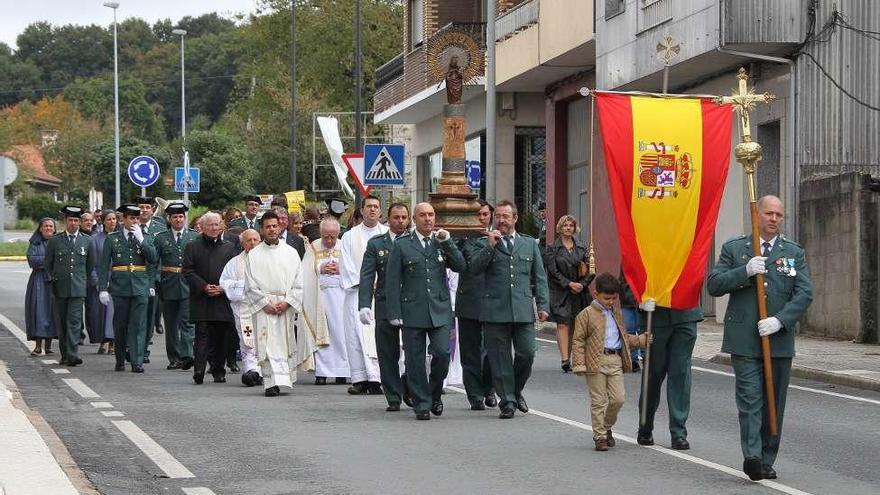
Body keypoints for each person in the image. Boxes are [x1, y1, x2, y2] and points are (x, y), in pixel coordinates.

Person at [707, 195, 813, 481]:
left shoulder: (793, 253)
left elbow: (804, 293)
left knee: (774, 402)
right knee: (750, 399)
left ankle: (768, 457)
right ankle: (752, 456)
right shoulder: (735, 248)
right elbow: (714, 285)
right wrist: (745, 271)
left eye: (779, 215)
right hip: (744, 338)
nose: (774, 219)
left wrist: (780, 320)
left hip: (778, 339)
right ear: (758, 215)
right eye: (769, 213)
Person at [467, 200, 550, 419]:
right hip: (494, 309)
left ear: (515, 219)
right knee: (499, 358)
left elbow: (539, 277)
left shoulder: (529, 244)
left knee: (527, 353)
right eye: (499, 217)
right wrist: (490, 247)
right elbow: (474, 269)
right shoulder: (484, 242)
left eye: (506, 216)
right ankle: (508, 401)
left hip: (522, 310)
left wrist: (543, 305)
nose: (502, 220)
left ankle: (516, 389)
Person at [385, 203, 467, 420]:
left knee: (442, 353)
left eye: (431, 215)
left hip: (439, 309)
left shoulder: (441, 242)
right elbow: (392, 281)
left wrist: (448, 242)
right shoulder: (403, 245)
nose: (428, 219)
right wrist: (394, 312)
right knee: (415, 359)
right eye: (423, 215)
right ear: (414, 219)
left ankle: (435, 392)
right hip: (412, 310)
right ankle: (422, 402)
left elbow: (460, 266)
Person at [572, 273, 649, 451]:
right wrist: (579, 363)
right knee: (598, 401)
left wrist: (641, 340)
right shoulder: (586, 315)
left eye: (614, 298)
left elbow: (623, 337)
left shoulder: (617, 314)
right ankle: (599, 436)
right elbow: (578, 341)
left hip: (614, 360)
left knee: (618, 399)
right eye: (607, 298)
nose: (610, 301)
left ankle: (606, 427)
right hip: (595, 361)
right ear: (596, 294)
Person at [245, 211, 307, 397]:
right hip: (265, 307)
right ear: (262, 230)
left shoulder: (291, 253)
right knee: (267, 344)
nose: (271, 230)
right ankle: (270, 382)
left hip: (284, 305)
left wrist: (287, 303)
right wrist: (265, 304)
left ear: (280, 227)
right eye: (267, 227)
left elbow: (299, 282)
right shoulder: (254, 254)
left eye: (274, 226)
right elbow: (250, 285)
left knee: (283, 344)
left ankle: (284, 380)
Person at [359, 202, 411, 411]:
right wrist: (364, 304)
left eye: (404, 217)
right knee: (387, 352)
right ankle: (393, 396)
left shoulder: (414, 242)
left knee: (413, 351)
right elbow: (367, 275)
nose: (400, 221)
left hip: (410, 305)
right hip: (385, 303)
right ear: (388, 220)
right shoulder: (376, 244)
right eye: (396, 217)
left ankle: (410, 385)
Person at [98, 204, 158, 373]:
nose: (134, 222)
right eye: (131, 218)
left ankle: (136, 361)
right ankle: (120, 359)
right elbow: (104, 266)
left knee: (138, 325)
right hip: (120, 286)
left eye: (137, 218)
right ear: (123, 219)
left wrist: (142, 240)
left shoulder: (144, 236)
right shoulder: (112, 238)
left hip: (140, 286)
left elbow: (153, 259)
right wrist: (103, 288)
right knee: (120, 324)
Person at [635, 303, 702, 450]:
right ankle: (645, 426)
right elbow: (633, 281)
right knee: (653, 374)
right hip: (655, 317)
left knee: (681, 375)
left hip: (685, 314)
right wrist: (640, 300)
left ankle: (679, 432)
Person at [339, 195, 388, 395]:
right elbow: (346, 264)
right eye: (369, 206)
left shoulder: (387, 234)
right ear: (361, 210)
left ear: (381, 211)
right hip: (358, 293)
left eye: (376, 207)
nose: (372, 210)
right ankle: (360, 379)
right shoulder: (350, 236)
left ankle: (378, 378)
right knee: (355, 336)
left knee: (378, 336)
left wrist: (381, 281)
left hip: (383, 293)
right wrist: (366, 283)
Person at [183, 212, 239, 384]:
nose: (214, 228)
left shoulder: (229, 247)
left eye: (217, 224)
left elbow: (235, 272)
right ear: (202, 227)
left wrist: (223, 288)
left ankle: (218, 370)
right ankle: (199, 369)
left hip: (222, 297)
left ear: (221, 226)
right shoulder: (192, 246)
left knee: (221, 336)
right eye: (210, 225)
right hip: (202, 297)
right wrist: (204, 286)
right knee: (202, 335)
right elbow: (188, 270)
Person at [456, 200, 497, 410]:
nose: (482, 218)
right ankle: (475, 394)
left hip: (492, 301)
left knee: (492, 350)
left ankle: (490, 389)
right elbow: (467, 266)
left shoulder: (498, 237)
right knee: (470, 351)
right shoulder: (464, 240)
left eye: (485, 214)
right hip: (469, 299)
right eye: (478, 214)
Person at [44, 206, 96, 367]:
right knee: (62, 322)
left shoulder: (87, 241)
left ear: (80, 222)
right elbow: (48, 264)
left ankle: (72, 354)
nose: (73, 223)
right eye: (70, 220)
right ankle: (65, 354)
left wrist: (82, 281)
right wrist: (55, 279)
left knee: (73, 321)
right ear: (65, 221)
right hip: (60, 287)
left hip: (78, 287)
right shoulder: (55, 241)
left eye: (76, 220)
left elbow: (90, 265)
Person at [545, 214, 595, 373]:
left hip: (580, 291)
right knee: (562, 323)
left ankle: (572, 356)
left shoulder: (582, 247)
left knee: (575, 323)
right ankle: (565, 359)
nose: (568, 228)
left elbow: (591, 269)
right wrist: (569, 284)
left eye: (571, 225)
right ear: (560, 227)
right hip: (561, 291)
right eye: (565, 225)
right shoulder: (553, 248)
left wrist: (582, 284)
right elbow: (553, 272)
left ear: (575, 228)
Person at [301, 218, 347, 385]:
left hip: (341, 298)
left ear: (338, 234)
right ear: (321, 234)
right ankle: (322, 372)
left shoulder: (344, 246)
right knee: (321, 335)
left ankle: (342, 372)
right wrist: (319, 268)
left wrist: (340, 269)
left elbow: (354, 269)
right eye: (326, 237)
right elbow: (304, 271)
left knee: (340, 335)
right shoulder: (313, 247)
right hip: (319, 298)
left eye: (332, 237)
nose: (329, 241)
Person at [154, 203, 199, 370]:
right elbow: (154, 261)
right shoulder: (161, 237)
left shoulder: (194, 236)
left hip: (188, 285)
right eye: (175, 217)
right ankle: (174, 357)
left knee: (187, 322)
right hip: (168, 284)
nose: (178, 219)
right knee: (171, 323)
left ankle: (187, 356)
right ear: (169, 218)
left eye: (181, 216)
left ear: (184, 218)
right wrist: (156, 280)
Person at [219, 229, 264, 387]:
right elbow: (225, 282)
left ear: (260, 240)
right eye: (248, 240)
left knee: (266, 338)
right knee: (247, 341)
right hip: (243, 308)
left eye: (255, 240)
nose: (252, 243)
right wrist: (245, 287)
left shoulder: (268, 259)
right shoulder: (234, 263)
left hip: (265, 307)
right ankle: (252, 370)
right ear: (242, 243)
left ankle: (266, 370)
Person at [135, 196, 166, 363]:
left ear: (153, 209)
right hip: (133, 277)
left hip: (153, 278)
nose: (144, 210)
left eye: (147, 207)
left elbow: (161, 255)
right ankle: (132, 347)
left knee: (149, 316)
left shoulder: (159, 228)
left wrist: (156, 278)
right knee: (134, 317)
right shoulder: (129, 226)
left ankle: (144, 349)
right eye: (141, 207)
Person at [25, 218, 57, 356]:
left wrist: (44, 260)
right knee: (38, 311)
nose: (48, 228)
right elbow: (32, 260)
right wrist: (50, 261)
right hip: (38, 281)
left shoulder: (59, 242)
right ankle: (38, 346)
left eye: (51, 226)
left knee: (52, 312)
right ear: (40, 228)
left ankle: (48, 346)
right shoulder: (35, 242)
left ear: (54, 229)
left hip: (55, 281)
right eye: (46, 226)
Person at [91, 210, 117, 354]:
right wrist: (96, 281)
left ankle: (113, 342)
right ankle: (103, 341)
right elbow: (93, 264)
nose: (112, 222)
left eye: (114, 219)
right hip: (102, 280)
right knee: (101, 314)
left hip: (118, 280)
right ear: (103, 221)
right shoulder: (95, 239)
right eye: (109, 219)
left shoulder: (121, 237)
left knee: (114, 313)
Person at [618, 271, 641, 372]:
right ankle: (632, 359)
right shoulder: (627, 257)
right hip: (627, 298)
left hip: (643, 298)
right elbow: (623, 277)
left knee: (644, 330)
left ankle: (646, 358)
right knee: (629, 330)